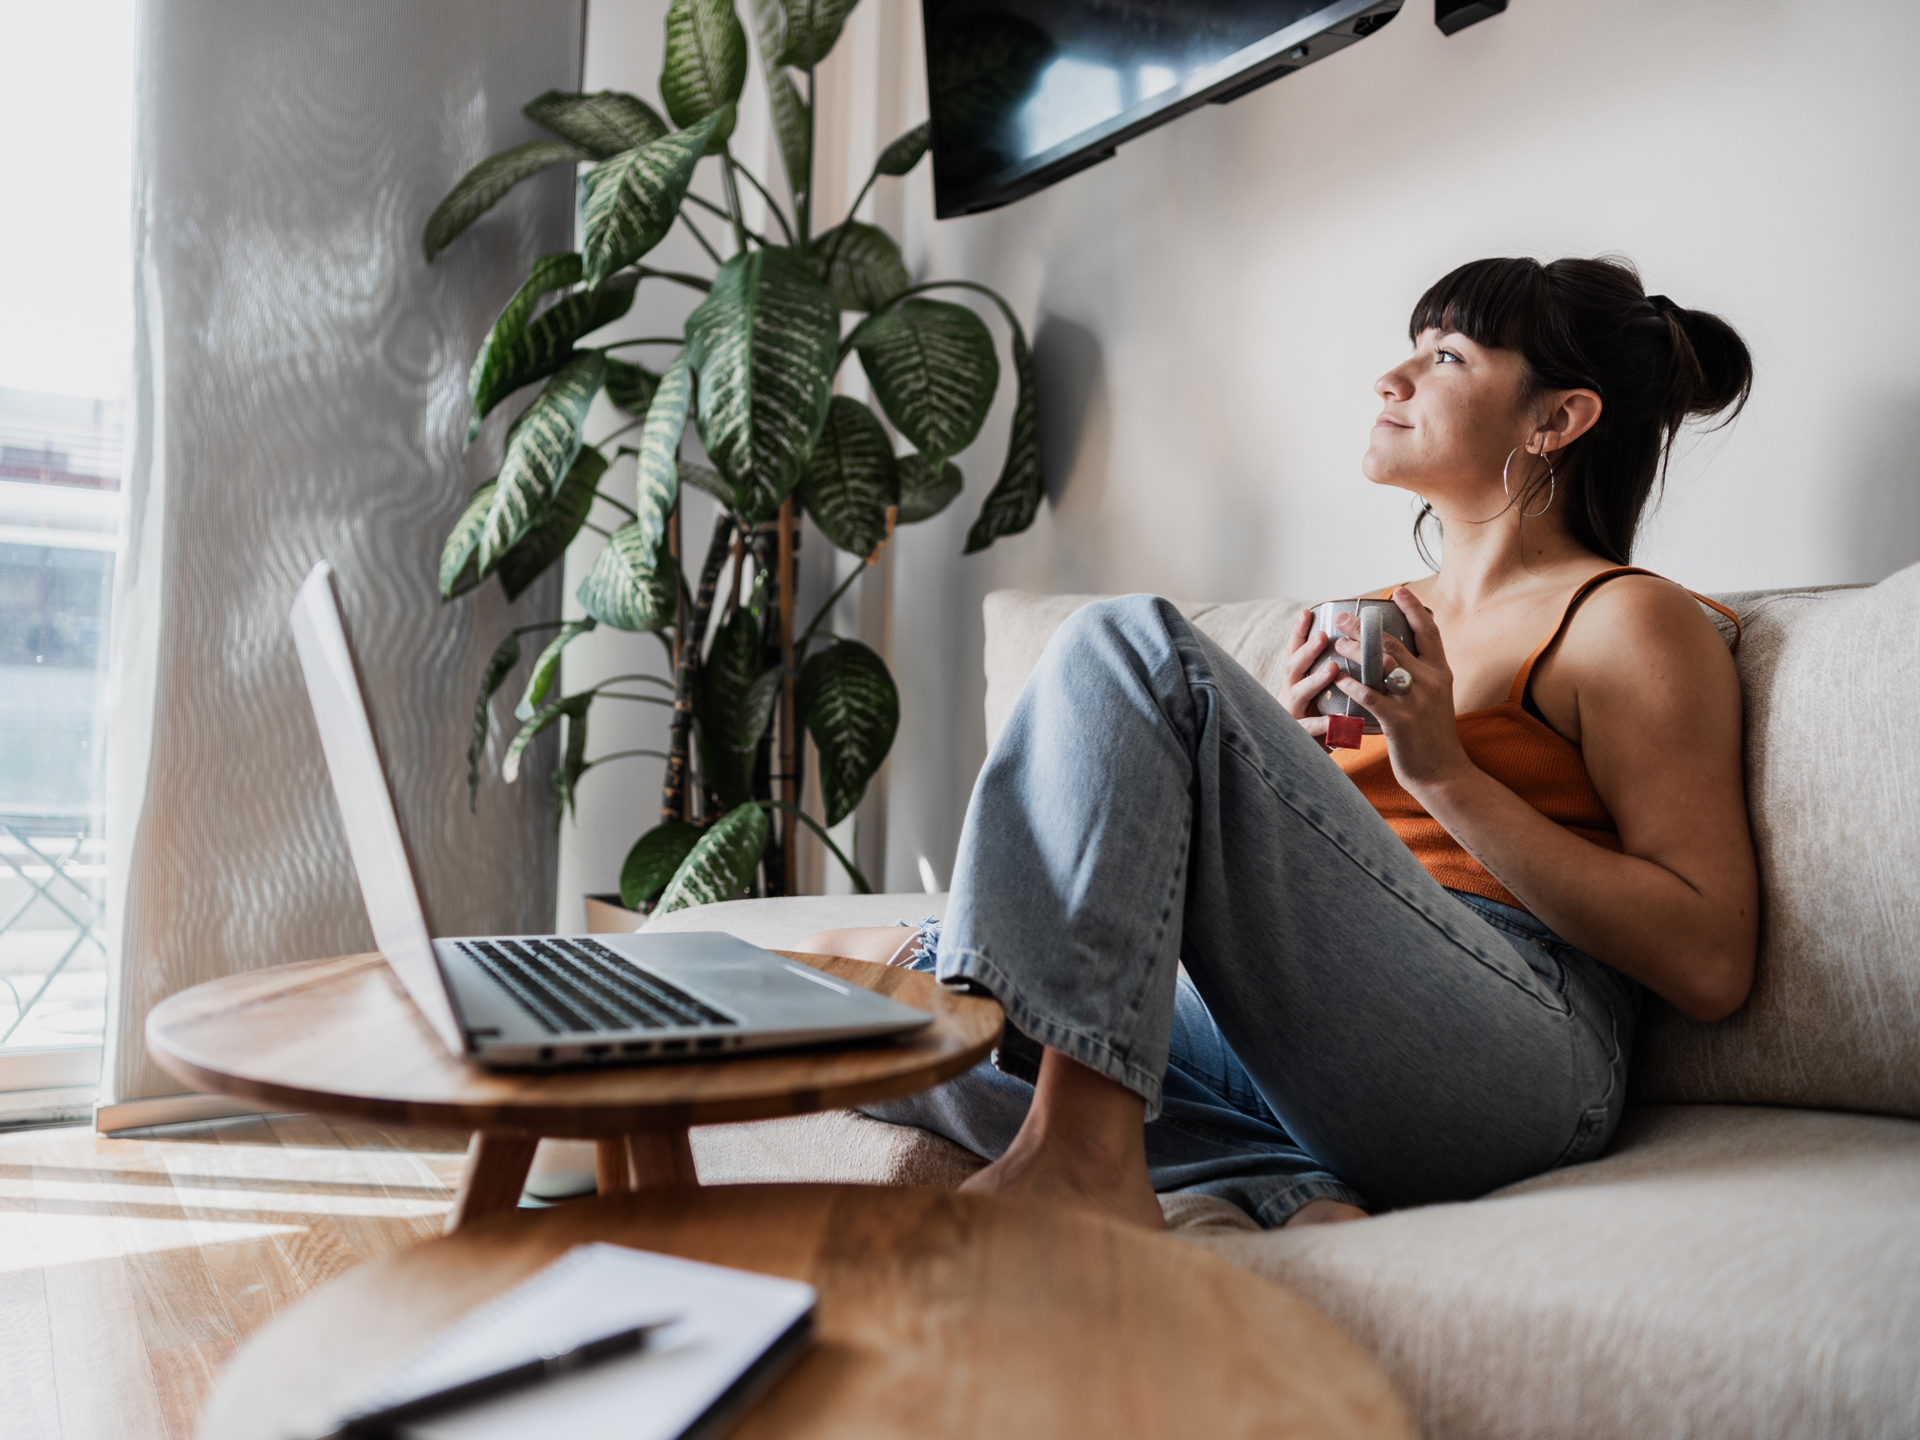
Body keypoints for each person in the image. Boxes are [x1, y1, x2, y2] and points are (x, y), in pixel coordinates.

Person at [801, 256, 1759, 1232]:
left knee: (1123, 644)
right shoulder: (1384, 619)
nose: (1395, 377)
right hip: (1317, 1058)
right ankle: (1279, 1180)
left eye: (1447, 357)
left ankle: (1081, 1158)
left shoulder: (1627, 621)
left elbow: (1710, 961)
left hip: (1522, 1050)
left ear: (1557, 420)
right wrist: (1276, 762)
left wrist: (1442, 773)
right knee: (860, 1001)